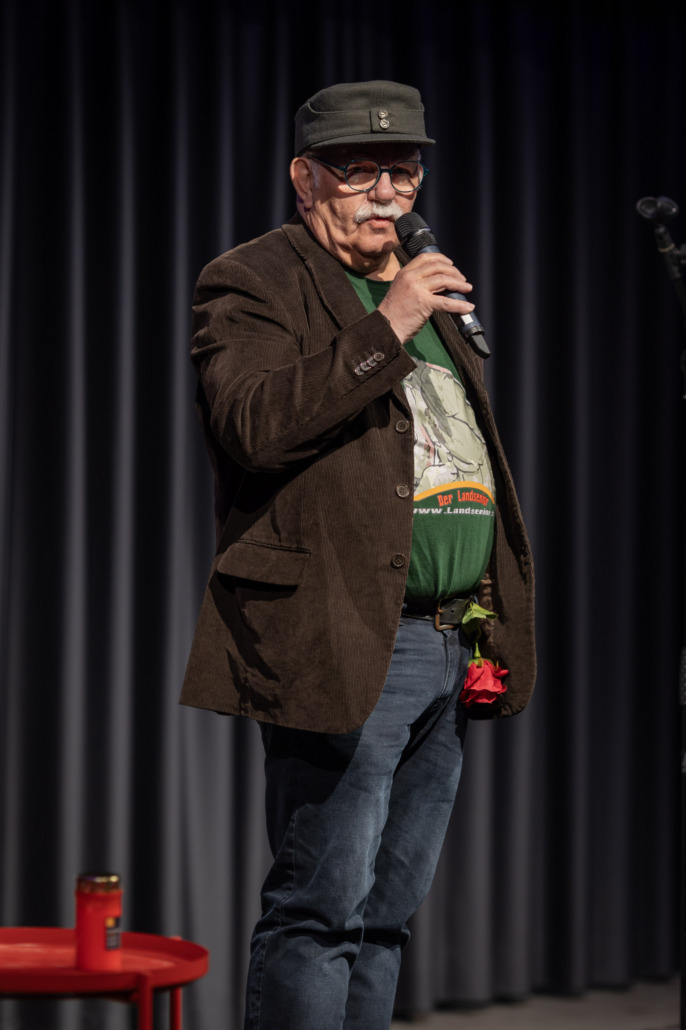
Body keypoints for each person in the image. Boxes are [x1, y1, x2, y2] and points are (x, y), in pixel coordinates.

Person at [180, 80, 536, 1030]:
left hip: (450, 638)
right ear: (305, 180)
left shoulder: (423, 283)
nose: (387, 191)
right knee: (321, 912)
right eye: (359, 170)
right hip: (346, 633)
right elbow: (255, 425)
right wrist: (389, 324)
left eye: (403, 170)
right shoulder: (251, 279)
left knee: (385, 920)